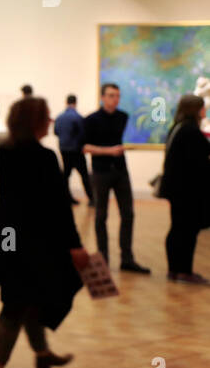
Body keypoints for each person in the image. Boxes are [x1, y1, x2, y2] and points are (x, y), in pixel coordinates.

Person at [0, 97, 88, 368]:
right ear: (35, 122)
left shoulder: (6, 150)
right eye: (47, 117)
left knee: (29, 295)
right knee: (17, 300)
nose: (51, 121)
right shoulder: (44, 158)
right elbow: (58, 207)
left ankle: (42, 354)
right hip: (34, 240)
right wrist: (74, 245)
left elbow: (10, 200)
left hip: (8, 234)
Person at [84, 83, 150, 273]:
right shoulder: (91, 119)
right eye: (111, 95)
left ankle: (127, 258)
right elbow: (85, 147)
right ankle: (103, 257)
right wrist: (108, 151)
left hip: (121, 171)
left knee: (128, 214)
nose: (115, 99)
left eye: (118, 96)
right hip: (100, 171)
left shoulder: (123, 117)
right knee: (101, 216)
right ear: (102, 97)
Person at [160, 94, 210, 284]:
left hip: (177, 189)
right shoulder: (190, 131)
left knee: (178, 229)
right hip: (188, 191)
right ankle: (184, 271)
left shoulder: (178, 128)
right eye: (202, 108)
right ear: (194, 109)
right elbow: (198, 163)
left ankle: (174, 269)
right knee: (187, 231)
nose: (204, 111)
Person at [54, 93, 93, 207]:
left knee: (66, 175)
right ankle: (92, 199)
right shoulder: (78, 117)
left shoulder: (59, 117)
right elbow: (83, 134)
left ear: (66, 102)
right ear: (75, 103)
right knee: (84, 175)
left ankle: (67, 198)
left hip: (64, 149)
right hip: (76, 150)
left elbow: (56, 132)